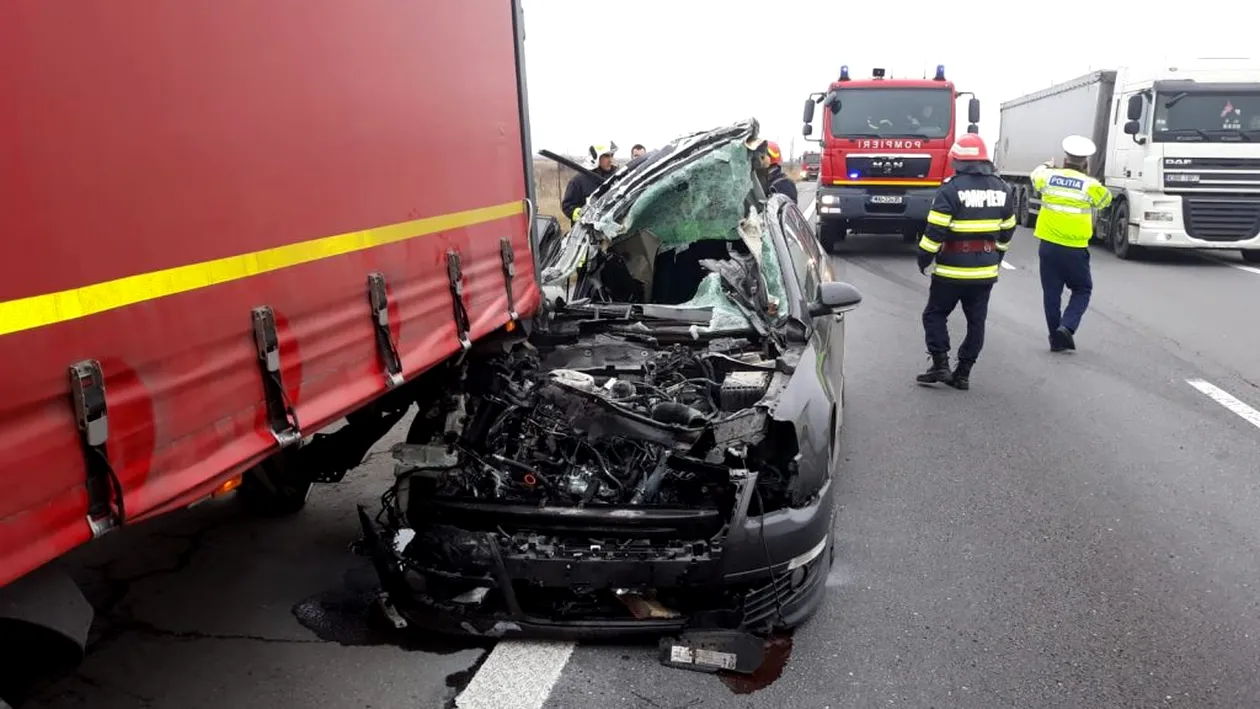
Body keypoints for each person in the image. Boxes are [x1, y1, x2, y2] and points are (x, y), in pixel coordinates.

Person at [915, 133, 1016, 391]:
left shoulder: (950, 189)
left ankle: (940, 364)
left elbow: (935, 231)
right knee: (976, 322)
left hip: (951, 270)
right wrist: (997, 256)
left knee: (935, 314)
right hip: (984, 270)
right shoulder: (1003, 189)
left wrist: (923, 258)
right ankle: (963, 373)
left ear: (957, 160)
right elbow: (1007, 229)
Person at [1030, 135, 1113, 352]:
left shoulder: (1049, 176)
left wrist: (1046, 166)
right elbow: (1106, 201)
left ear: (1065, 159)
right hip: (1075, 248)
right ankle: (1067, 327)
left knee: (1051, 293)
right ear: (1085, 162)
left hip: (1048, 246)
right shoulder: (1090, 185)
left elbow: (1035, 176)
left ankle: (1055, 338)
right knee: (1082, 289)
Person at [562, 142, 618, 225]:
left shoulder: (616, 178)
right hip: (587, 233)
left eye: (611, 156)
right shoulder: (578, 181)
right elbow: (567, 207)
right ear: (595, 158)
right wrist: (582, 214)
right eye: (606, 156)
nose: (610, 160)